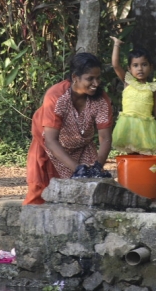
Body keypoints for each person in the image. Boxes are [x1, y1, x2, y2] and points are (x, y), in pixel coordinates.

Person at [23, 52, 113, 205]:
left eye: (98, 78)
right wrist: (78, 169)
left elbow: (105, 138)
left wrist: (97, 167)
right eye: (90, 79)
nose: (96, 83)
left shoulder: (101, 99)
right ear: (75, 77)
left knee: (89, 191)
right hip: (49, 144)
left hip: (82, 144)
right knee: (42, 190)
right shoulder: (56, 96)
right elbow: (51, 140)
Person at [110, 36, 156, 155]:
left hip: (146, 127)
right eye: (135, 65)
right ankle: (132, 173)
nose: (140, 69)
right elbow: (115, 65)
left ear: (151, 67)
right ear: (129, 68)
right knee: (131, 152)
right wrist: (117, 44)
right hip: (128, 125)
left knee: (145, 153)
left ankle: (143, 173)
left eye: (144, 64)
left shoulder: (153, 87)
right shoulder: (128, 81)